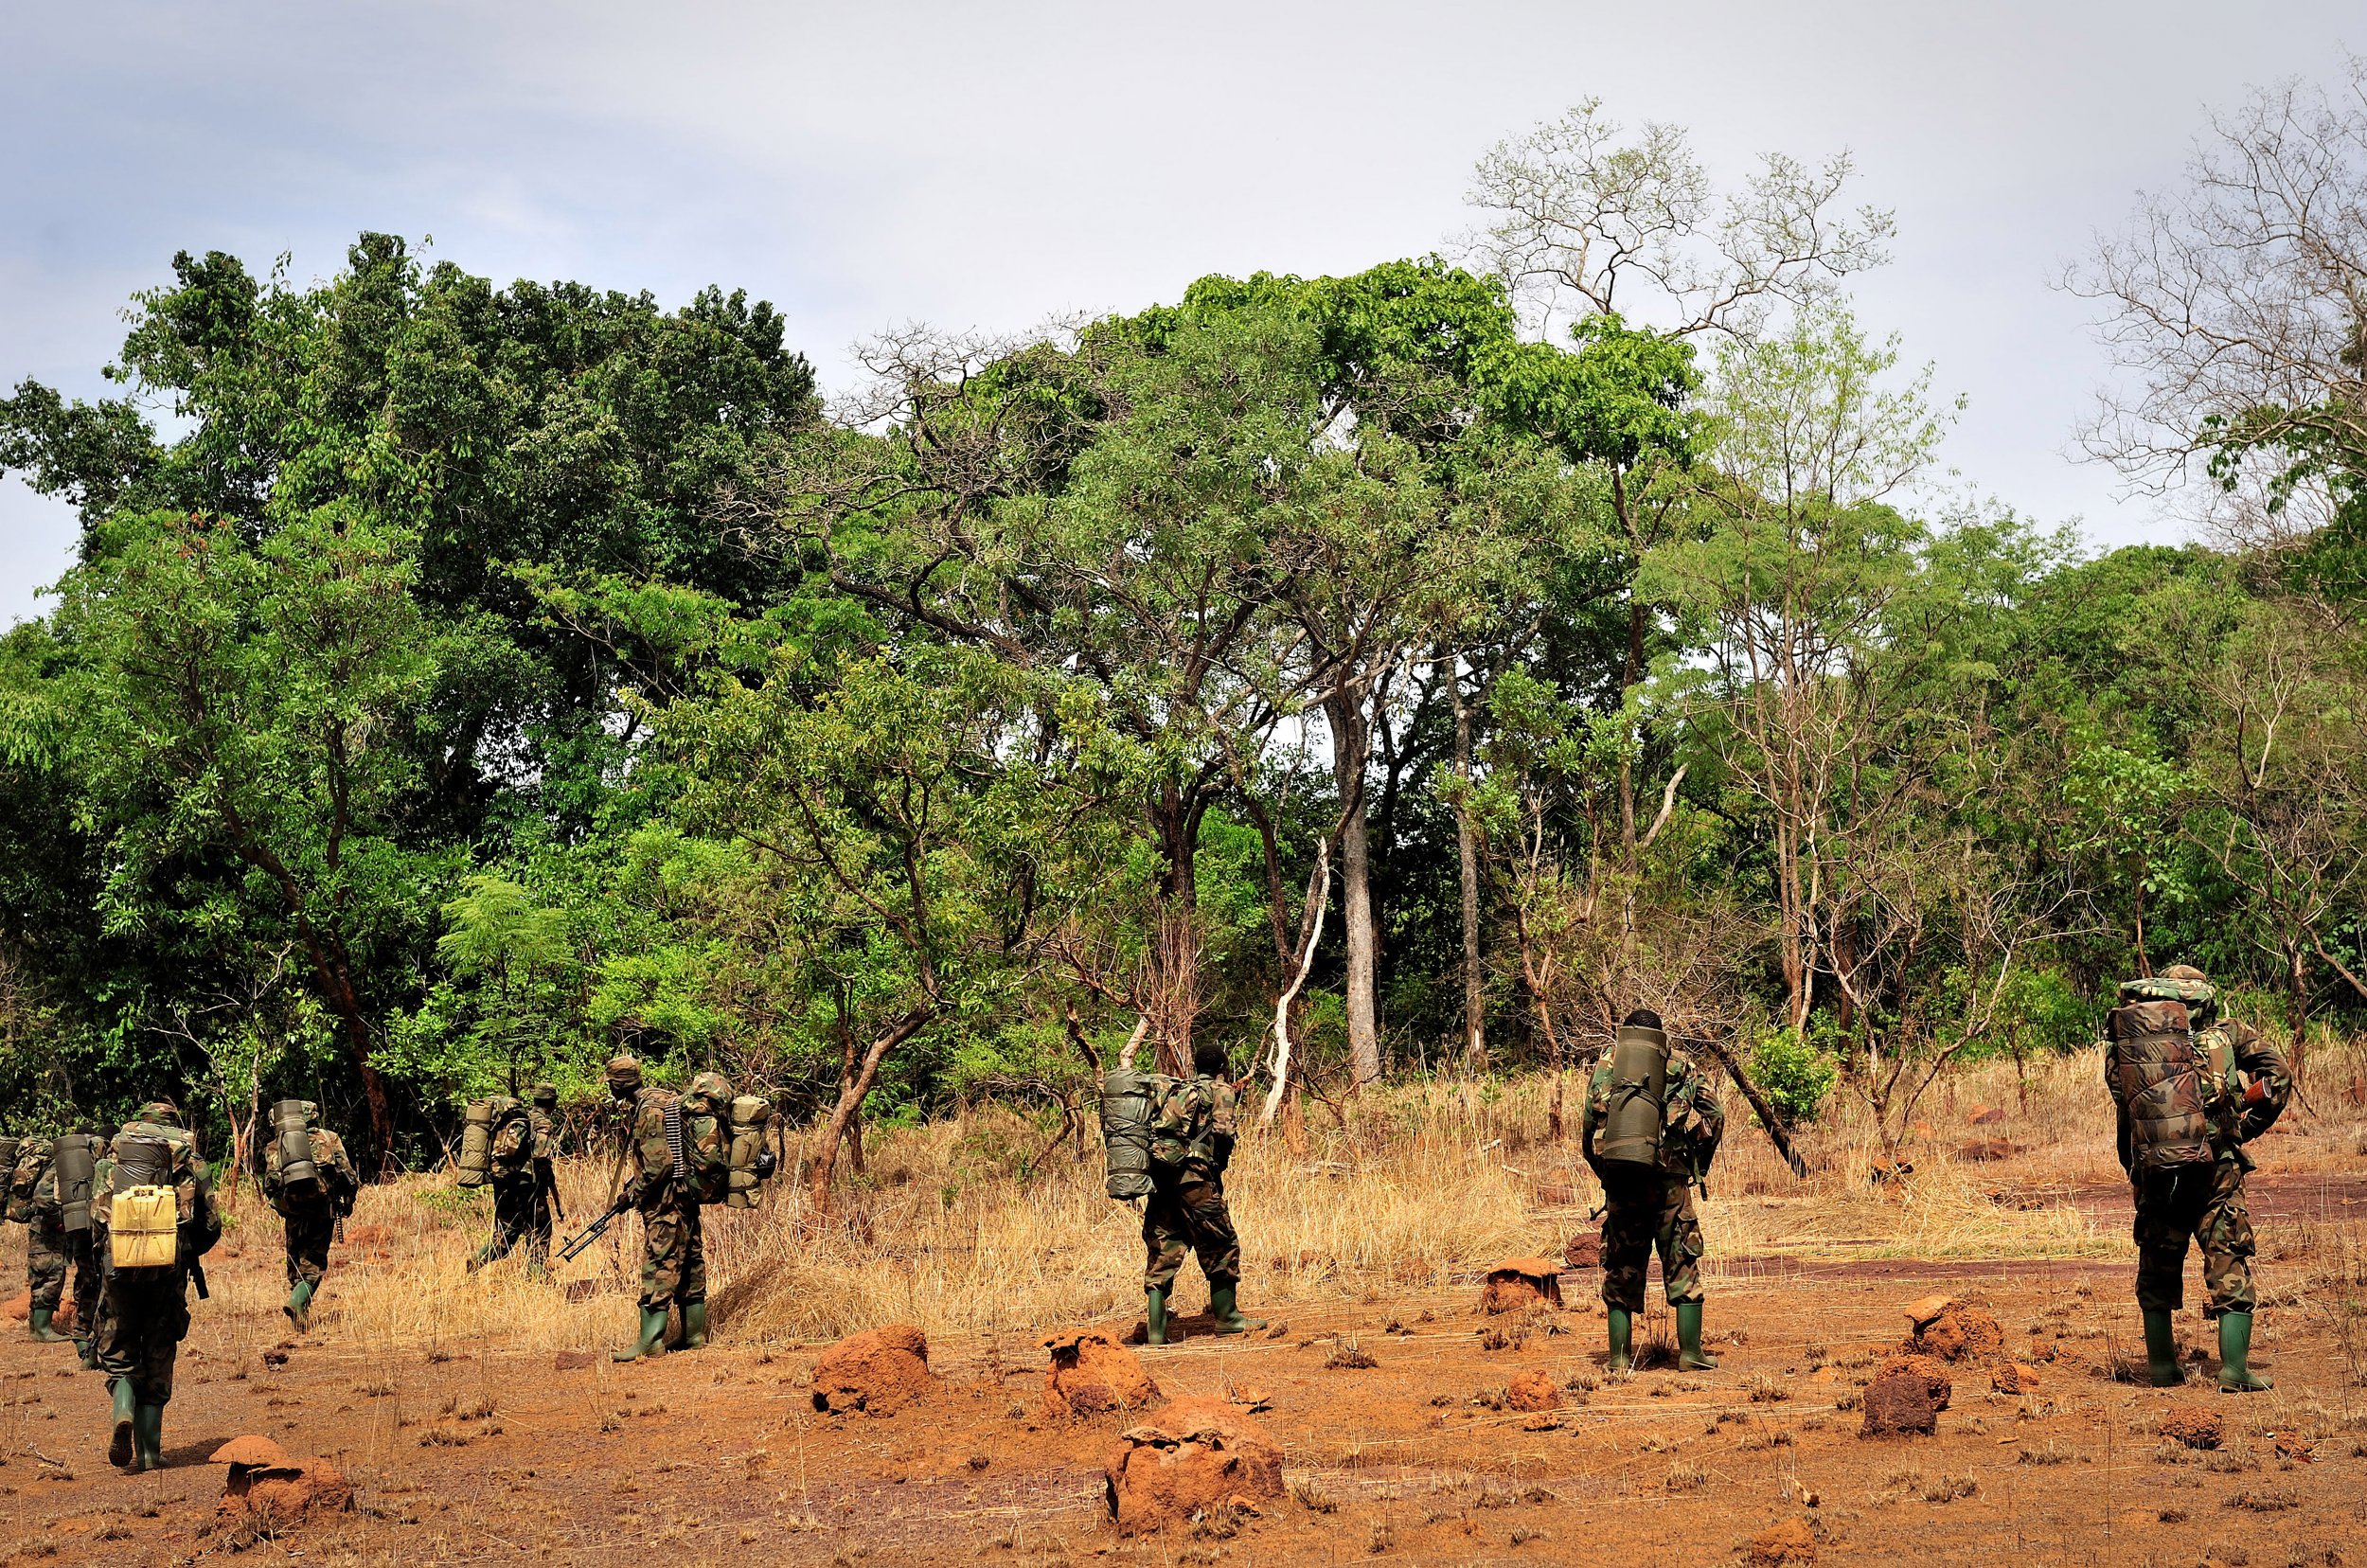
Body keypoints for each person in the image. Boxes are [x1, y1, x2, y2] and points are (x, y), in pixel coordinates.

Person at [2104, 964, 2290, 1392]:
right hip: (2216, 1166)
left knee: (2158, 1260)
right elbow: (2279, 1075)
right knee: (2227, 1254)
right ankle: (2234, 1370)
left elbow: (2125, 1102)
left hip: (2154, 1168)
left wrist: (2138, 1159)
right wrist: (2245, 1126)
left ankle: (2163, 1369)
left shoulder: (2132, 1041)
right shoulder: (2228, 1032)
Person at [1582, 1008, 1725, 1372]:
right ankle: (1691, 1354)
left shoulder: (1607, 1065)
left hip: (1623, 1181)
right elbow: (1715, 1115)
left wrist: (1606, 1170)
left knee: (1622, 1265)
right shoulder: (1681, 1064)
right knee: (1682, 1261)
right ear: (1660, 1038)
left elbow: (1587, 1128)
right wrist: (1694, 1158)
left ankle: (1618, 1359)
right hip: (1671, 1183)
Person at [93, 1098, 222, 1471]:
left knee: (119, 1346)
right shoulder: (190, 1160)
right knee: (159, 1348)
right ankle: (150, 1453)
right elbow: (210, 1225)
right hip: (168, 1268)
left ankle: (122, 1409)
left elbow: (95, 1221)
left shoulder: (112, 1159)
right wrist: (181, 1251)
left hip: (118, 1264)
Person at [1140, 1040, 1263, 1345]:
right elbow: (1224, 1133)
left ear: (1197, 1067)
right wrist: (1216, 1165)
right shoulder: (1221, 1091)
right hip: (1195, 1178)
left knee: (1163, 1248)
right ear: (1221, 1069)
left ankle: (1156, 1332)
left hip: (1163, 1177)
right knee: (1221, 1241)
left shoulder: (1177, 1091)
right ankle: (1227, 1318)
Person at [604, 1057, 706, 1362]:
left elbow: (661, 1164)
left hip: (666, 1203)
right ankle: (693, 1336)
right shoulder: (662, 1098)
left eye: (611, 1082)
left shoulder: (648, 1111)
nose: (609, 1086)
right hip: (684, 1197)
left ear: (620, 1084)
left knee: (658, 1264)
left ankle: (650, 1341)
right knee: (688, 1261)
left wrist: (633, 1193)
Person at [261, 1103, 359, 1332]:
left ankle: (300, 1307)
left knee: (295, 1256)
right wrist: (348, 1201)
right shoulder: (328, 1137)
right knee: (314, 1261)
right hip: (322, 1207)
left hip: (293, 1209)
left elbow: (269, 1183)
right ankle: (297, 1301)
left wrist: (283, 1206)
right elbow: (348, 1174)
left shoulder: (275, 1145)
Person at [471, 1083, 560, 1276]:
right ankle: (536, 1278)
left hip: (504, 1182)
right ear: (552, 1102)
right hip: (528, 1187)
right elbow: (540, 1155)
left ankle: (476, 1261)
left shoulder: (518, 1118)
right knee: (539, 1231)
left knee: (506, 1234)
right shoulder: (543, 1122)